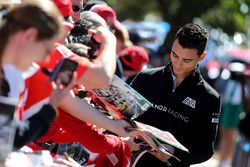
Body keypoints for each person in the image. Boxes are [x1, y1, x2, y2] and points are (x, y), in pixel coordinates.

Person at [130, 23, 221, 167]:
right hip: (132, 161)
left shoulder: (209, 98)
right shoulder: (146, 78)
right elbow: (122, 116)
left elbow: (205, 150)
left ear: (201, 57)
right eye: (174, 55)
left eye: (186, 60)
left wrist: (174, 153)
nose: (178, 64)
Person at [0, 0, 76, 149]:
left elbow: (6, 141)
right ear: (29, 36)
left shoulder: (8, 77)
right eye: (47, 49)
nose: (46, 59)